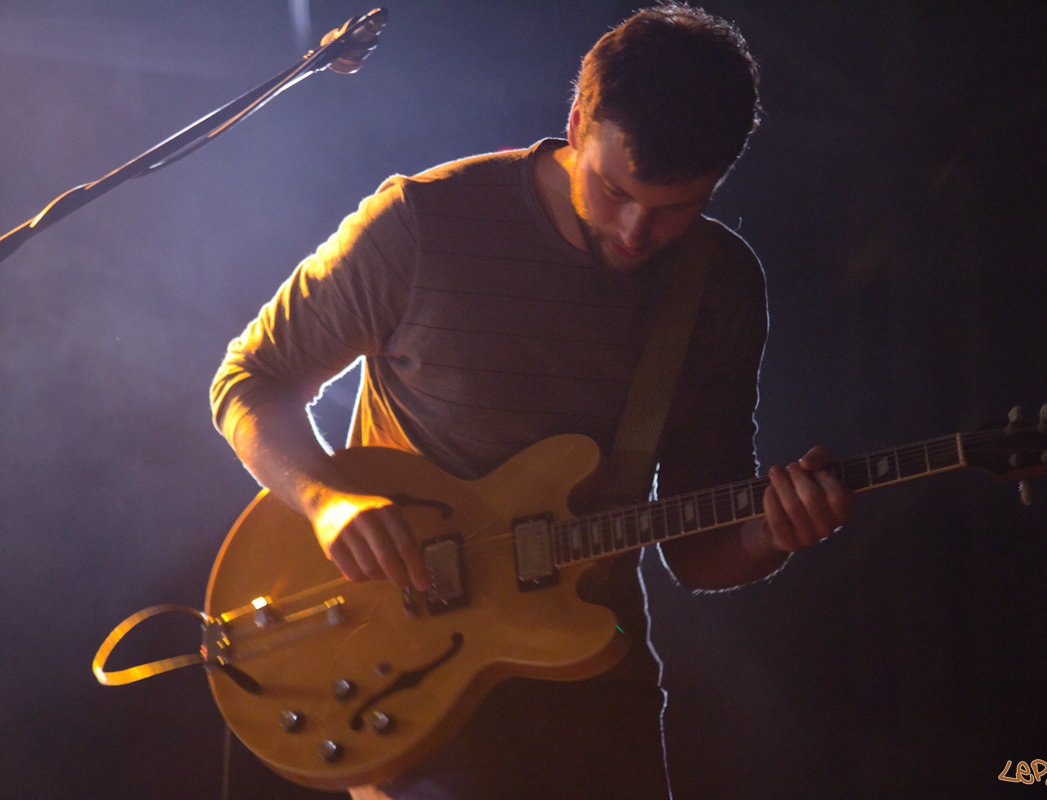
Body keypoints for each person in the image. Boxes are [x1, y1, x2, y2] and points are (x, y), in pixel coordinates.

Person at [210, 4, 851, 798]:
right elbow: (249, 381)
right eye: (613, 190)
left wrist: (769, 535)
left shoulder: (718, 285)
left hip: (596, 690)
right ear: (577, 121)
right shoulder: (423, 222)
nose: (636, 230)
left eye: (675, 209)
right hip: (410, 678)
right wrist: (326, 502)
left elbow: (697, 550)